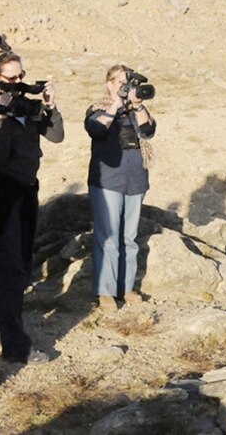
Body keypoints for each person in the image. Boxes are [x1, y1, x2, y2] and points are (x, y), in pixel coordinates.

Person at [0, 51, 63, 364]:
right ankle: (15, 347)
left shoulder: (26, 106)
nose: (16, 83)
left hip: (28, 190)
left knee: (19, 267)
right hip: (3, 192)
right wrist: (6, 116)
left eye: (20, 76)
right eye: (10, 78)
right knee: (10, 268)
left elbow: (57, 135)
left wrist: (48, 106)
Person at [85, 65, 156, 311]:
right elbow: (96, 129)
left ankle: (126, 287)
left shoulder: (136, 111)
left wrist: (137, 105)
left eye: (128, 83)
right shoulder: (98, 109)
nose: (124, 87)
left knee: (130, 239)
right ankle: (105, 291)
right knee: (108, 238)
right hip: (108, 181)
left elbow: (149, 131)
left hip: (135, 180)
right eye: (120, 82)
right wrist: (116, 104)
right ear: (109, 83)